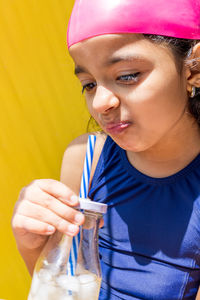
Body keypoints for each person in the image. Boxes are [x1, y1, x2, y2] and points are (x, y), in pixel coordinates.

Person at [12, 0, 200, 299]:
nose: (100, 103)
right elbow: (63, 286)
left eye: (127, 75)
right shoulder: (84, 159)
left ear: (193, 69)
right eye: (88, 84)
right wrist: (32, 244)